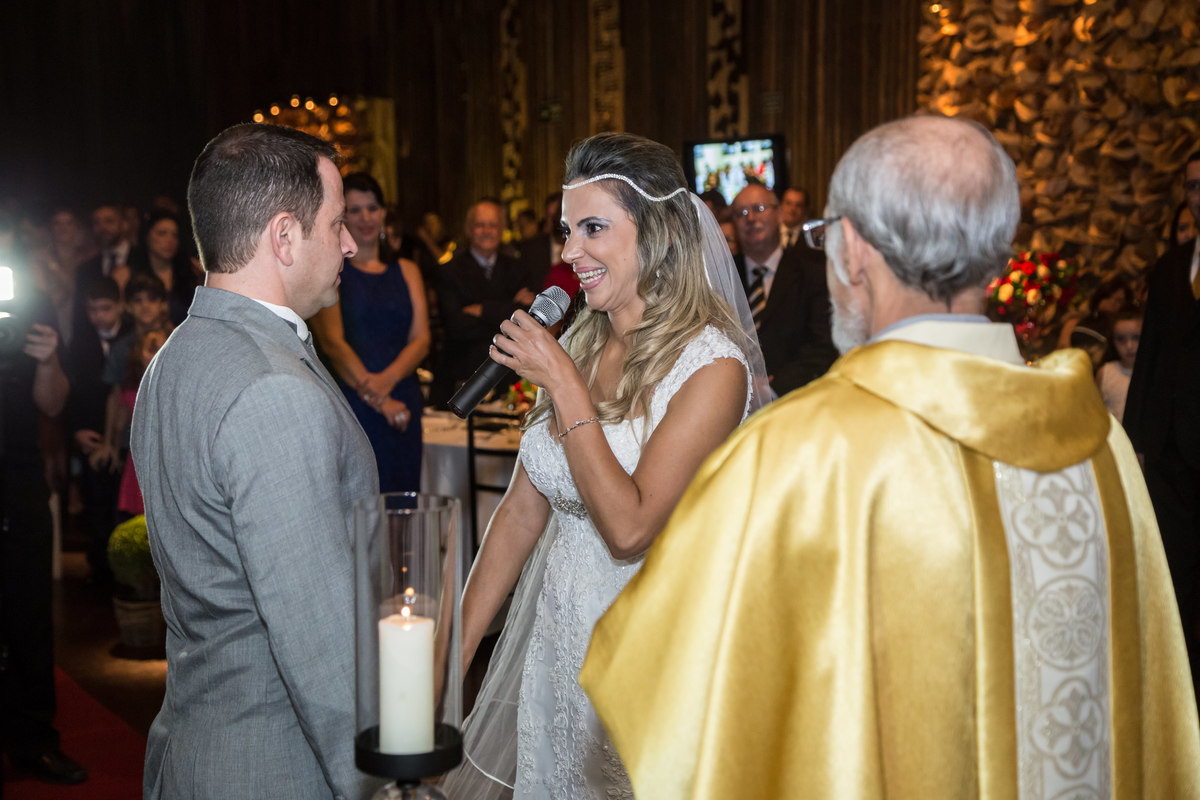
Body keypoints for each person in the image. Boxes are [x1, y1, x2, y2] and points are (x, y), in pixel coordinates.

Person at [580, 115, 1200, 799]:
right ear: (997, 255)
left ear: (852, 248)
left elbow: (674, 702)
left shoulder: (800, 453)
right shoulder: (1098, 443)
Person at [442, 132, 767, 799]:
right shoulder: (580, 343)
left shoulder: (713, 368)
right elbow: (519, 515)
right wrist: (455, 655)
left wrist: (564, 386)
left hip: (649, 658)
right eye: (566, 230)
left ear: (657, 234)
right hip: (559, 645)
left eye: (593, 228)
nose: (569, 253)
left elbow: (629, 526)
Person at [131, 123, 380, 799]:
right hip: (274, 764)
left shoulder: (174, 358)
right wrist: (383, 784)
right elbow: (321, 649)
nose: (351, 242)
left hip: (195, 742)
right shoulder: (273, 389)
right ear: (284, 237)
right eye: (336, 224)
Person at [0, 227, 85, 785]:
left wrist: (50, 359)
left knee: (30, 614)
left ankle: (34, 740)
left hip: (19, 477)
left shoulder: (29, 305)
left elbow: (53, 402)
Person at [1124, 148, 1200, 692]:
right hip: (1173, 452)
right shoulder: (1172, 267)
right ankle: (1178, 688)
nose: (1199, 196)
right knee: (1176, 580)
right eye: (1193, 187)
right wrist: (1137, 441)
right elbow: (1148, 356)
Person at [311, 172, 430, 493]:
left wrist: (386, 385)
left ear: (383, 213)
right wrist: (378, 399)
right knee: (362, 506)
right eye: (355, 209)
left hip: (403, 399)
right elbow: (332, 343)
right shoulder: (332, 271)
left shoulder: (407, 270)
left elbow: (421, 339)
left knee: (404, 505)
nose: (366, 217)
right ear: (341, 215)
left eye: (372, 208)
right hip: (354, 400)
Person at [731, 182, 838, 395]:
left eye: (759, 209)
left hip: (795, 397)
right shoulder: (722, 274)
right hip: (730, 396)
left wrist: (772, 386)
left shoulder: (812, 272)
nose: (751, 218)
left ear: (779, 214)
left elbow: (823, 344)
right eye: (742, 213)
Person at [431, 198, 538, 406]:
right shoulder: (449, 271)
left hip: (508, 380)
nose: (486, 230)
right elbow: (457, 326)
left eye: (493, 225)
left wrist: (483, 309)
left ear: (502, 230)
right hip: (462, 380)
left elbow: (527, 319)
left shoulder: (518, 269)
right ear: (469, 229)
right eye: (480, 225)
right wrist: (509, 308)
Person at [128, 209, 200, 326]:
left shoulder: (190, 272)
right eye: (162, 233)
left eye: (175, 235)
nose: (169, 240)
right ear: (146, 235)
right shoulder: (128, 274)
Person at [1095, 305, 1141, 423]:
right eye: (1121, 339)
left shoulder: (1157, 372)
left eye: (1136, 337)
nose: (1129, 346)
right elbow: (1095, 414)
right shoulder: (1106, 372)